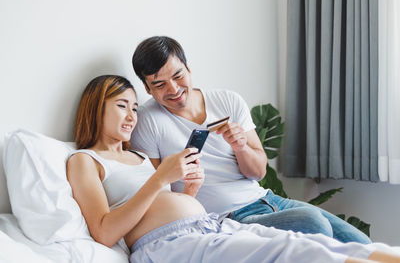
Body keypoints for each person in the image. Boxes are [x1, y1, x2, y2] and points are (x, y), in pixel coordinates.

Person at [67, 74, 400, 263]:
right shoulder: (85, 160)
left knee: (321, 246)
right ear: (96, 108)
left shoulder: (138, 156)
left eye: (135, 108)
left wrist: (190, 189)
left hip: (207, 225)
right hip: (165, 245)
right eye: (122, 106)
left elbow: (161, 204)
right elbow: (105, 231)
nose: (132, 116)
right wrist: (159, 180)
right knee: (287, 250)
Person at [130, 36, 370, 244]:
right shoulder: (148, 122)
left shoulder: (227, 100)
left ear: (188, 69)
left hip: (268, 200)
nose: (173, 89)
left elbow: (258, 173)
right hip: (228, 217)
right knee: (313, 224)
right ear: (147, 89)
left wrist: (240, 147)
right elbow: (157, 196)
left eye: (178, 76)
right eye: (159, 84)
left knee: (363, 244)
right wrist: (187, 185)